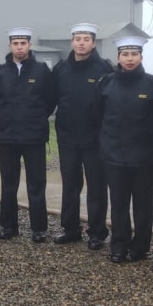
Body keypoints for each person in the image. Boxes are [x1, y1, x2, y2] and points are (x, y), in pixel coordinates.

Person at [95, 36, 153, 263]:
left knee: (143, 205)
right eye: (125, 55)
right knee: (119, 204)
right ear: (118, 58)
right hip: (114, 155)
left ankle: (140, 247)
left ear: (141, 57)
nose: (129, 59)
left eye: (134, 54)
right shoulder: (106, 83)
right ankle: (119, 245)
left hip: (143, 157)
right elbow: (98, 116)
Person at [52, 23, 113, 250]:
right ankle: (70, 229)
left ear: (93, 43)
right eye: (77, 38)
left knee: (97, 187)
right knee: (70, 185)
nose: (81, 43)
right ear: (72, 42)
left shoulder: (105, 70)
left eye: (86, 39)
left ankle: (97, 233)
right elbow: (51, 99)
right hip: (68, 137)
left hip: (95, 139)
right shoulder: (61, 69)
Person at [0, 27, 56, 242]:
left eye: (23, 43)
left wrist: (36, 118)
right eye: (15, 43)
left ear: (29, 45)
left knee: (36, 184)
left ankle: (39, 228)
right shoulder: (1, 71)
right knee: (8, 183)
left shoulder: (41, 71)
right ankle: (9, 226)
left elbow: (50, 100)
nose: (19, 47)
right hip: (8, 136)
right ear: (10, 45)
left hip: (34, 136)